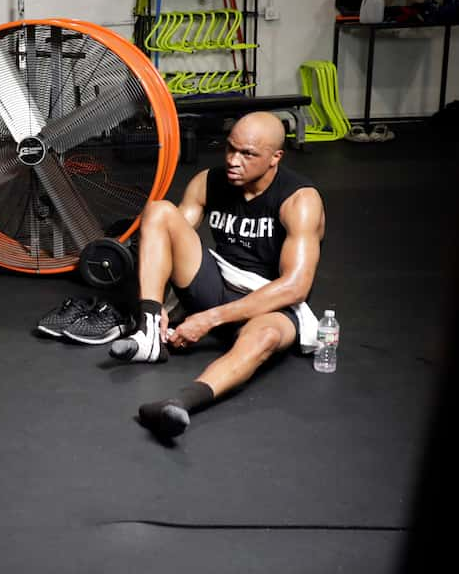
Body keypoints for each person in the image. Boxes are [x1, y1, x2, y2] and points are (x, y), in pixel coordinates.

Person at [109, 111, 325, 440]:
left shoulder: (299, 200)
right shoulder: (209, 181)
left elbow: (295, 287)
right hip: (217, 283)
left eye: (248, 154)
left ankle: (180, 404)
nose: (233, 160)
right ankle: (150, 331)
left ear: (275, 158)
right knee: (159, 211)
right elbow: (164, 239)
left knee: (264, 338)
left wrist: (208, 319)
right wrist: (164, 306)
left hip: (270, 302)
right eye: (230, 149)